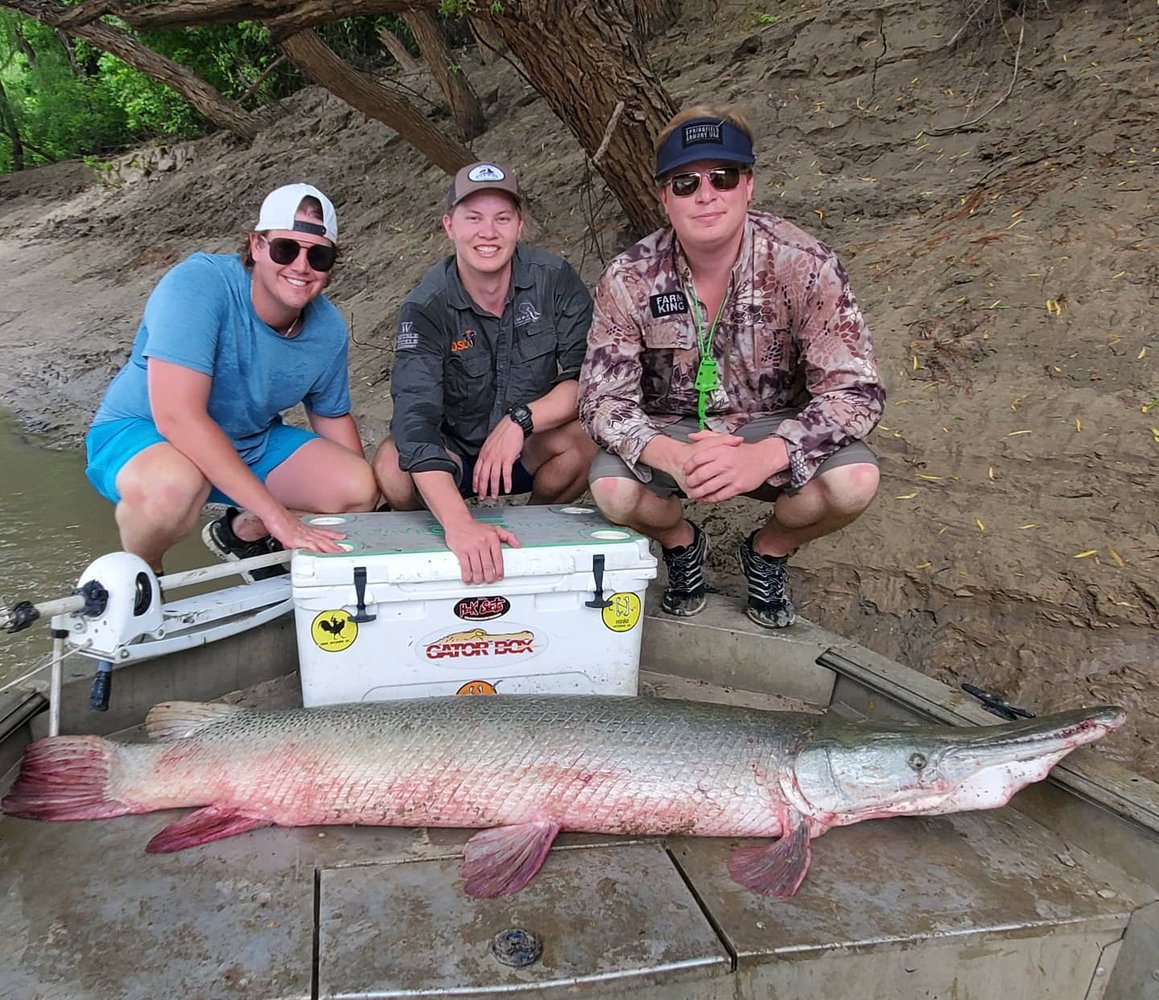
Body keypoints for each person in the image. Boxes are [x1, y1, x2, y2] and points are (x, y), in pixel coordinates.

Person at [578, 106, 884, 628]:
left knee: (854, 480)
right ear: (662, 197)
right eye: (685, 182)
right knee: (612, 489)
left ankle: (768, 551)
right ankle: (681, 543)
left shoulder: (803, 262)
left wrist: (770, 453)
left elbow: (856, 391)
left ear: (748, 185)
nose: (705, 194)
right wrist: (669, 455)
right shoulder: (629, 277)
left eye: (722, 176)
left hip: (772, 422)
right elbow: (601, 399)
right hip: (672, 429)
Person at [84, 183, 379, 577]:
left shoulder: (328, 330)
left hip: (248, 443)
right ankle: (143, 574)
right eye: (285, 249)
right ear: (256, 246)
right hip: (148, 432)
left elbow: (332, 417)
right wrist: (279, 516)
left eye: (319, 255)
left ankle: (240, 533)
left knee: (357, 489)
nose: (301, 266)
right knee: (173, 488)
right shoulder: (198, 284)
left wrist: (367, 518)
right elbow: (177, 416)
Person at [374, 161, 596, 585]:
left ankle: (528, 536)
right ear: (449, 226)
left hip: (525, 446)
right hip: (452, 453)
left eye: (502, 218)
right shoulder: (425, 306)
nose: (488, 232)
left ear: (519, 226)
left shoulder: (555, 279)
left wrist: (521, 421)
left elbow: (589, 378)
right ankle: (445, 536)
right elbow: (414, 418)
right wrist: (461, 523)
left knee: (587, 440)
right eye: (473, 218)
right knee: (391, 468)